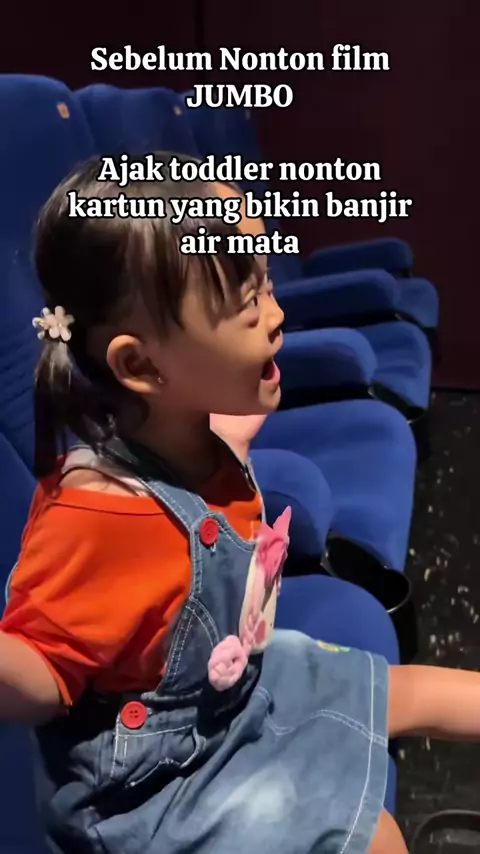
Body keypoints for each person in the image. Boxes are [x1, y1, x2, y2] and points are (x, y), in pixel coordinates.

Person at [0, 154, 478, 854]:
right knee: (376, 837)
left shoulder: (200, 428)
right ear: (142, 366)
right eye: (249, 305)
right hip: (162, 783)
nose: (277, 317)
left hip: (231, 692)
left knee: (420, 692)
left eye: (267, 284)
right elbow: (40, 675)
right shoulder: (98, 518)